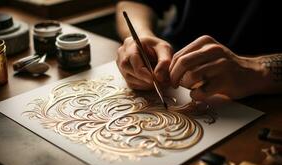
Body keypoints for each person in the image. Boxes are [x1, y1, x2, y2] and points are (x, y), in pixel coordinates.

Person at [115, 0, 282, 101]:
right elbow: (134, 2)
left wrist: (258, 69)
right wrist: (141, 37)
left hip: (263, 96)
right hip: (168, 71)